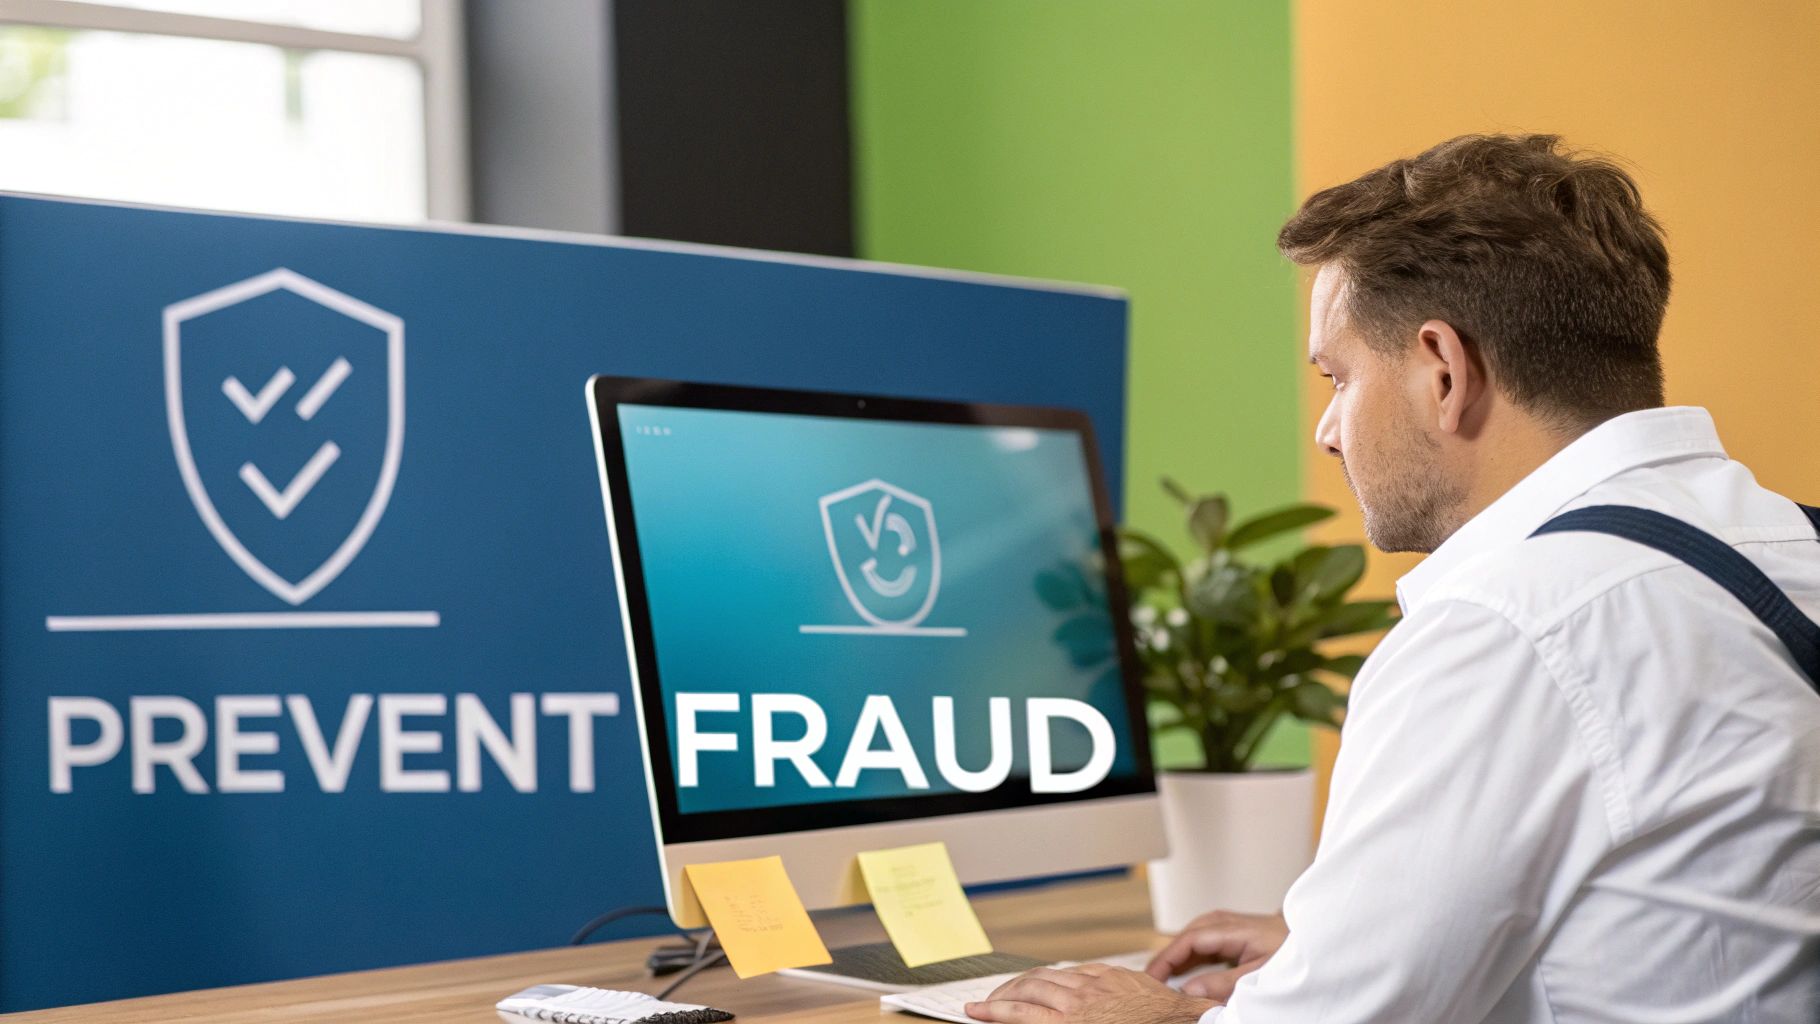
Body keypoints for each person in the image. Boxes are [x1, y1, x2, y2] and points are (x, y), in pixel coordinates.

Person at [964, 134, 1820, 1023]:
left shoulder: (1512, 625)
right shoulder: (1786, 547)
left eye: (1337, 377)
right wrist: (1339, 944)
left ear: (1443, 372)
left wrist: (1153, 1014)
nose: (1329, 431)